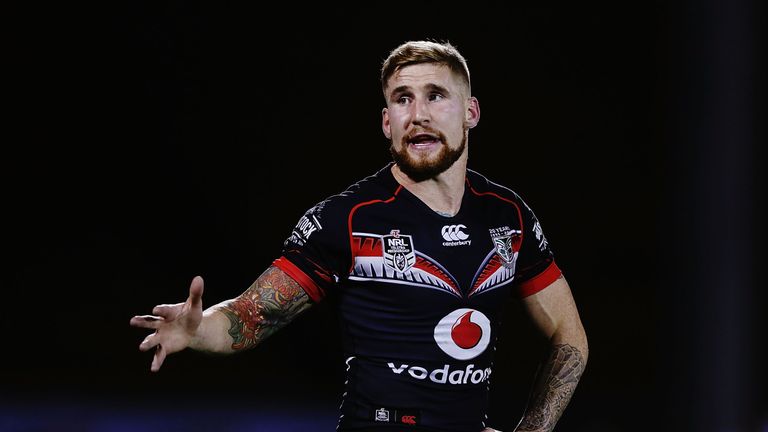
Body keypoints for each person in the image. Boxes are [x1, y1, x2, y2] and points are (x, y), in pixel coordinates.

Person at [130, 40, 588, 432]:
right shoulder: (347, 218)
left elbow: (570, 336)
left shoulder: (508, 216)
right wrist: (199, 329)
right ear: (387, 122)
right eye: (402, 99)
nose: (418, 114)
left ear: (470, 112)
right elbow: (251, 315)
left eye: (435, 95)